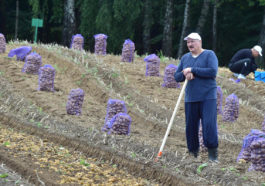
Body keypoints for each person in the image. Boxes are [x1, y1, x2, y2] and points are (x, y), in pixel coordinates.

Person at [174, 32, 219, 162]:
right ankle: (193, 154)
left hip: (207, 97)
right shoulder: (185, 58)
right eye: (188, 42)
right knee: (190, 127)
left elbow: (212, 71)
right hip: (191, 98)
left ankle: (213, 155)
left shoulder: (209, 54)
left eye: (192, 41)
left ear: (199, 42)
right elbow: (177, 77)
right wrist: (184, 72)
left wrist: (193, 70)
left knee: (209, 126)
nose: (189, 44)